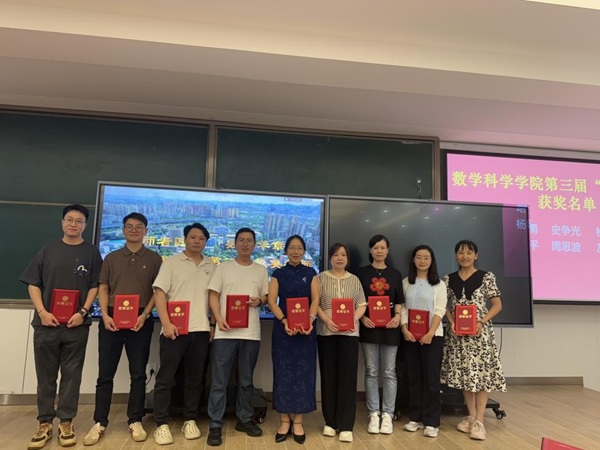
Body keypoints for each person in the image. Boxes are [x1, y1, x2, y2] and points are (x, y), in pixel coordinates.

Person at [20, 204, 103, 449]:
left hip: (77, 325)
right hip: (46, 324)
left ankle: (66, 422)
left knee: (71, 376)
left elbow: (95, 286)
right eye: (69, 219)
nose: (73, 224)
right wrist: (42, 312)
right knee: (45, 377)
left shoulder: (91, 252)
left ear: (85, 225)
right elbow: (33, 284)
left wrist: (83, 312)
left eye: (79, 221)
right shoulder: (48, 250)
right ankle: (44, 423)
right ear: (62, 222)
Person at [83, 212, 163, 445]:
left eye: (139, 227)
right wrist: (105, 315)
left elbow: (158, 291)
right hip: (112, 318)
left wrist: (145, 315)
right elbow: (103, 287)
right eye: (129, 226)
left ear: (146, 231)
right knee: (105, 374)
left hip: (140, 319)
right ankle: (100, 422)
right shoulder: (111, 257)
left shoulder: (155, 258)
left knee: (138, 374)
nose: (134, 230)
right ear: (123, 230)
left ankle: (135, 420)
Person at [152, 223, 216, 445]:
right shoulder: (171, 262)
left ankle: (190, 419)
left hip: (200, 330)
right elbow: (159, 293)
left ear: (206, 242)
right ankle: (161, 423)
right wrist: (166, 323)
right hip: (174, 330)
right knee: (166, 378)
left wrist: (212, 325)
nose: (197, 241)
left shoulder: (211, 265)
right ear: (185, 239)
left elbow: (214, 298)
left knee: (195, 379)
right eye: (193, 237)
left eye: (201, 238)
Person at [206, 227, 269, 447]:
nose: (245, 244)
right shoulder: (223, 267)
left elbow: (266, 297)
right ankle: (215, 424)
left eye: (249, 240)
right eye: (241, 240)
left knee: (246, 381)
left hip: (251, 334)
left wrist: (259, 301)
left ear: (254, 245)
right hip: (225, 332)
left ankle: (244, 419)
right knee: (219, 381)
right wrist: (217, 319)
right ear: (234, 243)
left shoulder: (260, 270)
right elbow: (213, 295)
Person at [440, 240, 506, 441]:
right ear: (456, 256)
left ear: (476, 255)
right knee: (465, 375)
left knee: (482, 375)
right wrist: (451, 321)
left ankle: (479, 421)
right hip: (458, 336)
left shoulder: (486, 277)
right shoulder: (448, 279)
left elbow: (497, 305)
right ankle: (470, 416)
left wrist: (481, 321)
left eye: (469, 252)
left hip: (480, 335)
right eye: (461, 252)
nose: (465, 256)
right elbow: (443, 305)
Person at [313, 242, 367, 443]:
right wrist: (326, 320)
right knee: (328, 377)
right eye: (335, 255)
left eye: (343, 254)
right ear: (330, 258)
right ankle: (330, 422)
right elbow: (315, 304)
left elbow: (362, 304)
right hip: (326, 333)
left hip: (350, 335)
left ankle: (346, 425)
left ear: (347, 259)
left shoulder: (354, 280)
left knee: (347, 378)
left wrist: (352, 319)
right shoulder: (319, 278)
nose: (339, 258)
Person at [267, 235, 318, 444]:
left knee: (303, 374)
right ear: (286, 250)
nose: (296, 252)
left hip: (306, 332)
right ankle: (284, 420)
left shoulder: (310, 273)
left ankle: (298, 421)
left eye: (299, 248)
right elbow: (272, 301)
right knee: (283, 373)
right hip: (283, 331)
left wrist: (310, 320)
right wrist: (284, 320)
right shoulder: (278, 273)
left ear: (304, 251)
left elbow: (315, 299)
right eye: (292, 248)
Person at [355, 235, 404, 435]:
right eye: (375, 247)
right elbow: (356, 300)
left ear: (388, 250)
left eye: (383, 247)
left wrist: (398, 317)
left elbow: (399, 300)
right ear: (370, 250)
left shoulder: (395, 274)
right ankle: (374, 413)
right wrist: (362, 318)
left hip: (391, 329)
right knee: (371, 371)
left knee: (390, 372)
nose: (379, 251)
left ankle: (388, 415)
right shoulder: (361, 273)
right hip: (369, 327)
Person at [400, 245, 447, 438]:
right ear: (413, 260)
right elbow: (402, 308)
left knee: (431, 380)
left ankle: (432, 422)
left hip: (432, 337)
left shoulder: (439, 284)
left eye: (426, 257)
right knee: (413, 378)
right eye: (418, 257)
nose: (422, 261)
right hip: (410, 337)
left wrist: (430, 333)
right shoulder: (405, 282)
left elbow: (440, 310)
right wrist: (404, 329)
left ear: (431, 260)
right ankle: (415, 418)